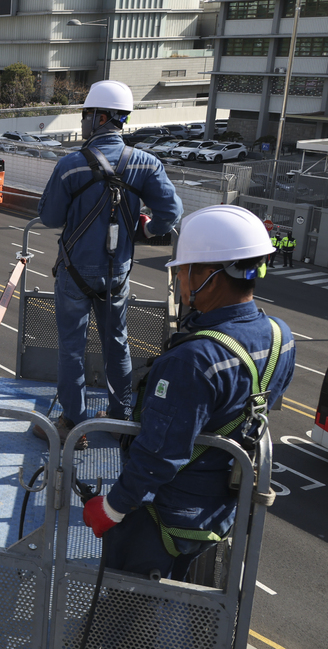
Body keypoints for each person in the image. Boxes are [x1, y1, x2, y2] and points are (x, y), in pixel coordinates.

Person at [83, 205, 295, 582]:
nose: (180, 280)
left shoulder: (194, 359)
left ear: (208, 276)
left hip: (164, 519)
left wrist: (112, 509)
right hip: (219, 512)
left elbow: (160, 455)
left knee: (123, 616)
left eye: (182, 270)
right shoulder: (281, 337)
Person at [35, 80, 183, 448]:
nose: (85, 123)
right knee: (116, 342)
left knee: (72, 346)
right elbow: (171, 212)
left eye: (87, 115)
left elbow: (51, 217)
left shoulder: (71, 166)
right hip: (117, 273)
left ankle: (73, 421)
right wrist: (147, 231)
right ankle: (120, 418)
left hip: (74, 273)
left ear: (100, 117)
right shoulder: (146, 164)